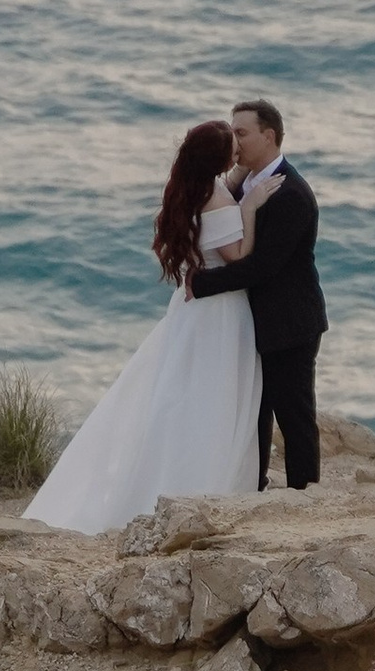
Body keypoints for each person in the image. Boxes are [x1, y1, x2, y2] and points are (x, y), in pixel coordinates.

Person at [22, 117, 262, 533]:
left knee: (178, 396)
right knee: (214, 397)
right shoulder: (222, 203)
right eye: (233, 150)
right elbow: (238, 254)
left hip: (189, 315)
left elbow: (227, 184)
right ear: (219, 161)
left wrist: (240, 178)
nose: (239, 154)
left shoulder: (192, 190)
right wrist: (251, 208)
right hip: (220, 313)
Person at [185, 97, 324, 490]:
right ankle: (254, 485)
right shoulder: (243, 182)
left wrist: (202, 283)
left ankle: (304, 493)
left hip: (289, 322)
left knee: (293, 413)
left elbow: (262, 267)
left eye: (242, 133)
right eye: (232, 133)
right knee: (253, 411)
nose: (235, 141)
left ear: (269, 136)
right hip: (253, 321)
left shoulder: (291, 194)